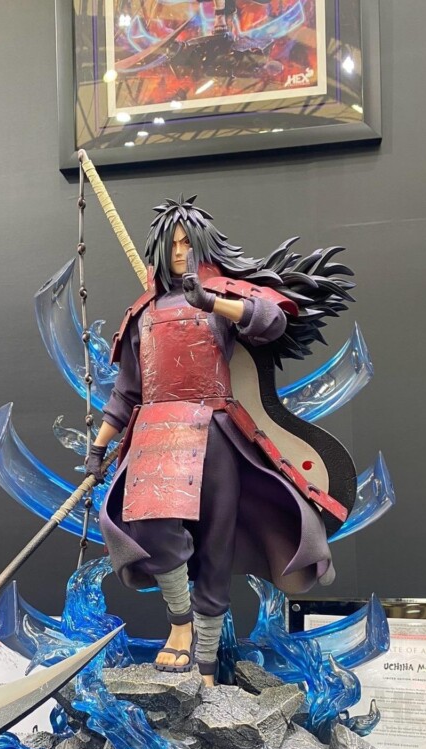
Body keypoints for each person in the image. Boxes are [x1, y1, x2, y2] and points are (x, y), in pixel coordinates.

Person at [85, 196, 356, 686]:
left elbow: (271, 319)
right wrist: (98, 448)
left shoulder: (221, 297)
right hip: (156, 436)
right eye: (173, 244)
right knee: (153, 529)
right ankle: (180, 624)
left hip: (215, 431)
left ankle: (206, 661)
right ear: (159, 250)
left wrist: (211, 302)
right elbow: (126, 393)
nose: (180, 252)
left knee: (216, 545)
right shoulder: (141, 314)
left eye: (188, 243)